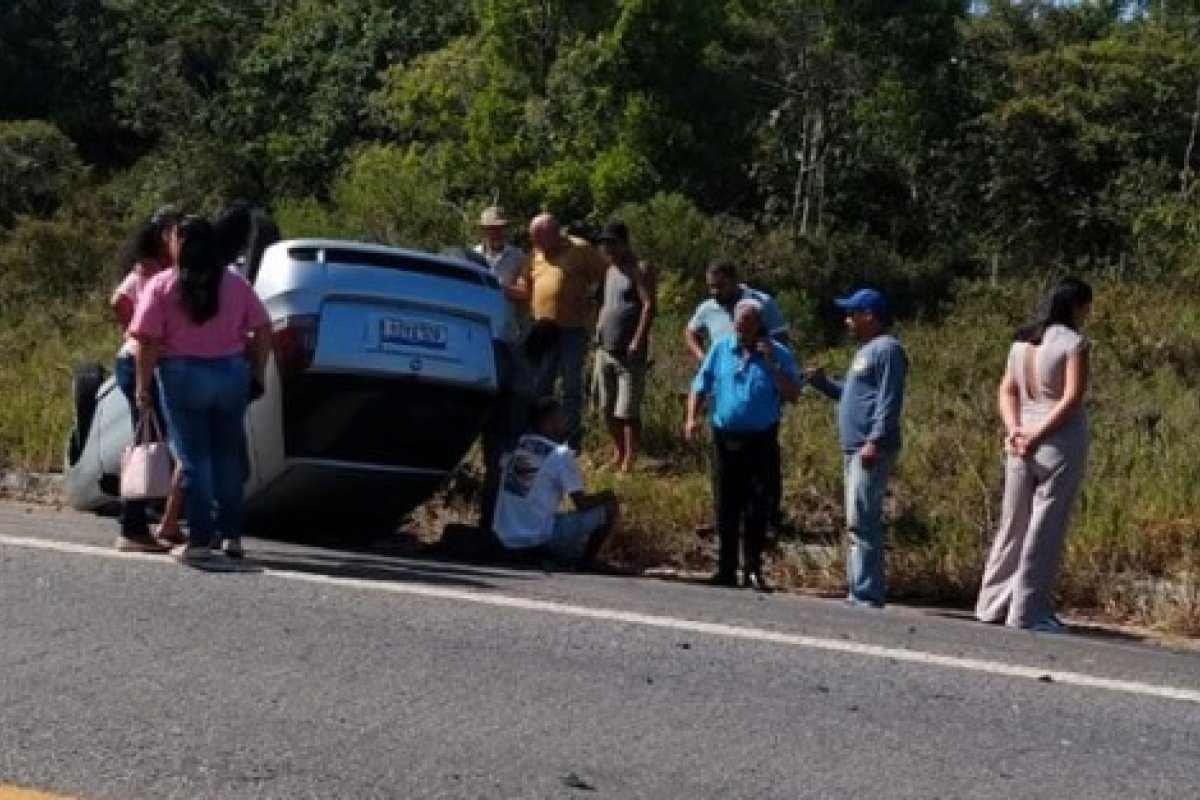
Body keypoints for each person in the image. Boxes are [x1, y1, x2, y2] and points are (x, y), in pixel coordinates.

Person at [130, 217, 273, 563]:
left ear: (179, 243)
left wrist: (142, 386)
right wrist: (257, 369)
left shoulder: (163, 285)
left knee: (195, 457)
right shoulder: (235, 282)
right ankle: (231, 535)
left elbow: (147, 340)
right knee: (227, 456)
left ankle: (199, 538)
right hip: (230, 372)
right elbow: (263, 326)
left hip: (182, 373)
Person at [975, 277, 1093, 633]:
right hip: (1058, 442)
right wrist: (1039, 433)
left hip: (1020, 439)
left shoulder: (1021, 344)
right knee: (1045, 526)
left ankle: (992, 603)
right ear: (1078, 307)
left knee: (1013, 522)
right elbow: (1071, 397)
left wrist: (1015, 429)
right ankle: (1028, 609)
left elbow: (1007, 391)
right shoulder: (1074, 343)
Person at [685, 299, 802, 590]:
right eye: (737, 326)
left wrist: (771, 363)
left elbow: (792, 394)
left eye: (746, 326)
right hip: (725, 438)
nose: (740, 332)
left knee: (757, 504)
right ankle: (726, 569)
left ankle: (753, 568)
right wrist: (691, 418)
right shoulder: (721, 348)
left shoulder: (779, 353)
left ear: (759, 326)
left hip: (761, 439)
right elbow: (700, 384)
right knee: (726, 503)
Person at [807, 288, 908, 608]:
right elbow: (853, 394)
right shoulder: (865, 351)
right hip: (854, 447)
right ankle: (857, 589)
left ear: (869, 315)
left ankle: (866, 593)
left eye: (852, 314)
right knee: (856, 518)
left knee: (862, 520)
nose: (847, 320)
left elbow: (889, 399)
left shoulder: (887, 349)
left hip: (870, 447)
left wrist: (874, 440)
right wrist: (823, 384)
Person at [109, 214, 179, 552]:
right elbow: (118, 300)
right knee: (146, 442)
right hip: (140, 363)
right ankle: (132, 526)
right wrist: (137, 332)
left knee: (152, 438)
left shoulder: (159, 271)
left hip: (144, 361)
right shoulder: (147, 273)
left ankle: (149, 519)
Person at [492, 397, 620, 568]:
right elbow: (581, 504)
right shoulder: (560, 454)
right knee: (609, 506)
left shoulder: (517, 447)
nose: (564, 422)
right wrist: (606, 494)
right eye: (561, 417)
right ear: (549, 421)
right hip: (538, 539)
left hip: (504, 538)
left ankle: (568, 555)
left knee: (553, 515)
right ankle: (586, 563)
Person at [522, 213, 608, 449]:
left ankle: (570, 438)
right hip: (543, 330)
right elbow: (526, 284)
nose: (534, 243)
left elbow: (606, 276)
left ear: (553, 233)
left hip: (573, 329)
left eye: (538, 238)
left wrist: (595, 305)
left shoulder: (580, 249)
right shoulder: (534, 255)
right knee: (541, 384)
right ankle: (540, 435)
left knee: (571, 384)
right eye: (533, 239)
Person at [594, 220, 657, 473]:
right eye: (604, 243)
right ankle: (617, 453)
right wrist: (598, 330)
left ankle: (629, 460)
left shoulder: (640, 268)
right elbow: (604, 304)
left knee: (627, 411)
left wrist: (638, 340)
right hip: (605, 348)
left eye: (612, 243)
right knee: (606, 407)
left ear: (624, 242)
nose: (608, 248)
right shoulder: (610, 270)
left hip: (629, 352)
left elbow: (649, 306)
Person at [685, 260, 788, 363]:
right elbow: (691, 332)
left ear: (734, 281)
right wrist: (704, 358)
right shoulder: (707, 308)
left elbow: (780, 336)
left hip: (759, 368)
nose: (715, 292)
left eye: (720, 286)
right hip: (724, 370)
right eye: (711, 286)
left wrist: (770, 357)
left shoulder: (762, 302)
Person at [474, 205, 530, 344]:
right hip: (478, 326)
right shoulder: (472, 255)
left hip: (507, 330)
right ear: (484, 230)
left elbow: (524, 292)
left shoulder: (518, 256)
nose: (497, 232)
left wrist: (496, 288)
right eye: (492, 228)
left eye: (500, 228)